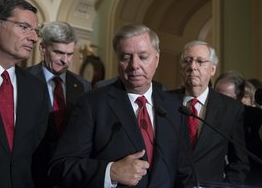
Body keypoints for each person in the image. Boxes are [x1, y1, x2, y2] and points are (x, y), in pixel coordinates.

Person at [48, 24, 193, 188]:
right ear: (118, 60)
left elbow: (185, 172)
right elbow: (60, 167)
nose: (134, 65)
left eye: (143, 57)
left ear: (157, 59)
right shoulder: (92, 104)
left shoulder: (174, 107)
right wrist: (111, 172)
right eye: (126, 57)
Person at [0, 0, 49, 188]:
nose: (33, 37)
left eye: (35, 31)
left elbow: (38, 153)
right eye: (24, 27)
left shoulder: (36, 88)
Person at [170, 41, 250, 186]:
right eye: (187, 61)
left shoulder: (231, 109)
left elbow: (239, 163)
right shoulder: (163, 102)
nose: (192, 67)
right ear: (181, 68)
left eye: (200, 61)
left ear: (213, 69)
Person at [27, 21, 91, 188]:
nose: (65, 61)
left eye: (70, 54)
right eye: (59, 53)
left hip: (68, 178)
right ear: (42, 49)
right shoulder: (23, 80)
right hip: (31, 175)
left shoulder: (83, 86)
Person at [214, 72, 262, 187]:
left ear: (240, 97)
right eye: (215, 96)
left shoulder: (254, 117)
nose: (218, 103)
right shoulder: (210, 115)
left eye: (225, 98)